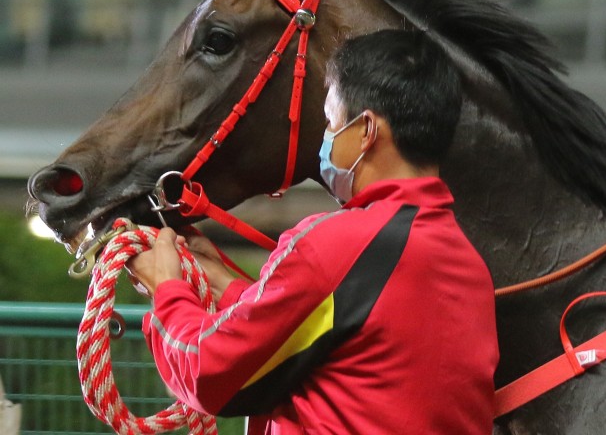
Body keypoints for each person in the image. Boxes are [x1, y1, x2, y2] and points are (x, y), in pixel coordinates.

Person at [129, 28, 499, 434]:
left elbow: (206, 372)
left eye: (331, 121)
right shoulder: (470, 269)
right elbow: (339, 330)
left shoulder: (333, 244)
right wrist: (222, 283)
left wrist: (166, 288)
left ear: (366, 131)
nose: (325, 138)